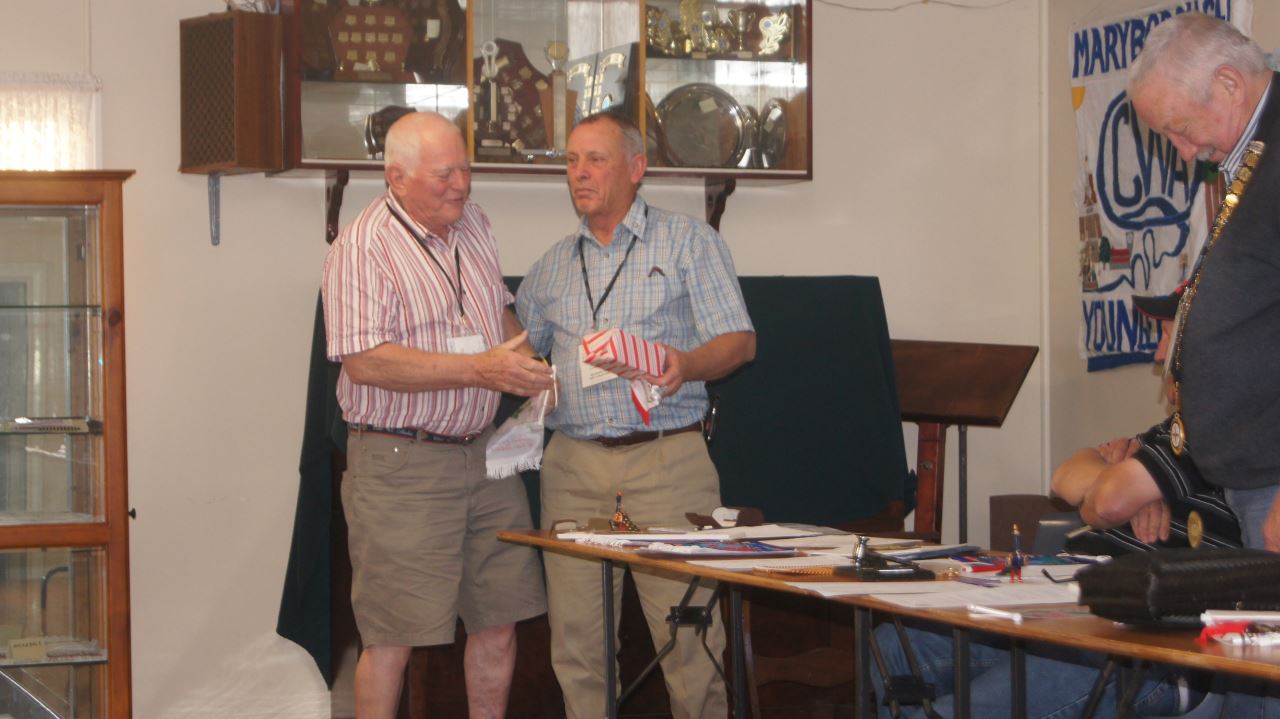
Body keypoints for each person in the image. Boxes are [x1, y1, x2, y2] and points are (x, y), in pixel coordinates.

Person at [516, 111, 756, 719]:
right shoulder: (551, 266)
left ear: (636, 168)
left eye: (595, 160)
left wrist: (687, 363)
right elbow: (519, 348)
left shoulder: (688, 242)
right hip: (573, 467)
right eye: (572, 161)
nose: (580, 173)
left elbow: (740, 341)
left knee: (690, 639)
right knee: (578, 646)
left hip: (666, 460)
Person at [321, 111, 554, 719]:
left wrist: (529, 367)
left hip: (484, 453)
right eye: (444, 174)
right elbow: (365, 361)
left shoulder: (474, 222)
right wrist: (480, 370)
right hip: (401, 461)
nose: (461, 185)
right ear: (396, 177)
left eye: (466, 170)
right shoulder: (362, 247)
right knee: (392, 637)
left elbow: (496, 311)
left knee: (500, 619)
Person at [1127, 12, 1280, 552]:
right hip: (1250, 481)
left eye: (1181, 128)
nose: (1184, 152)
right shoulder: (1254, 158)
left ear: (1229, 83)